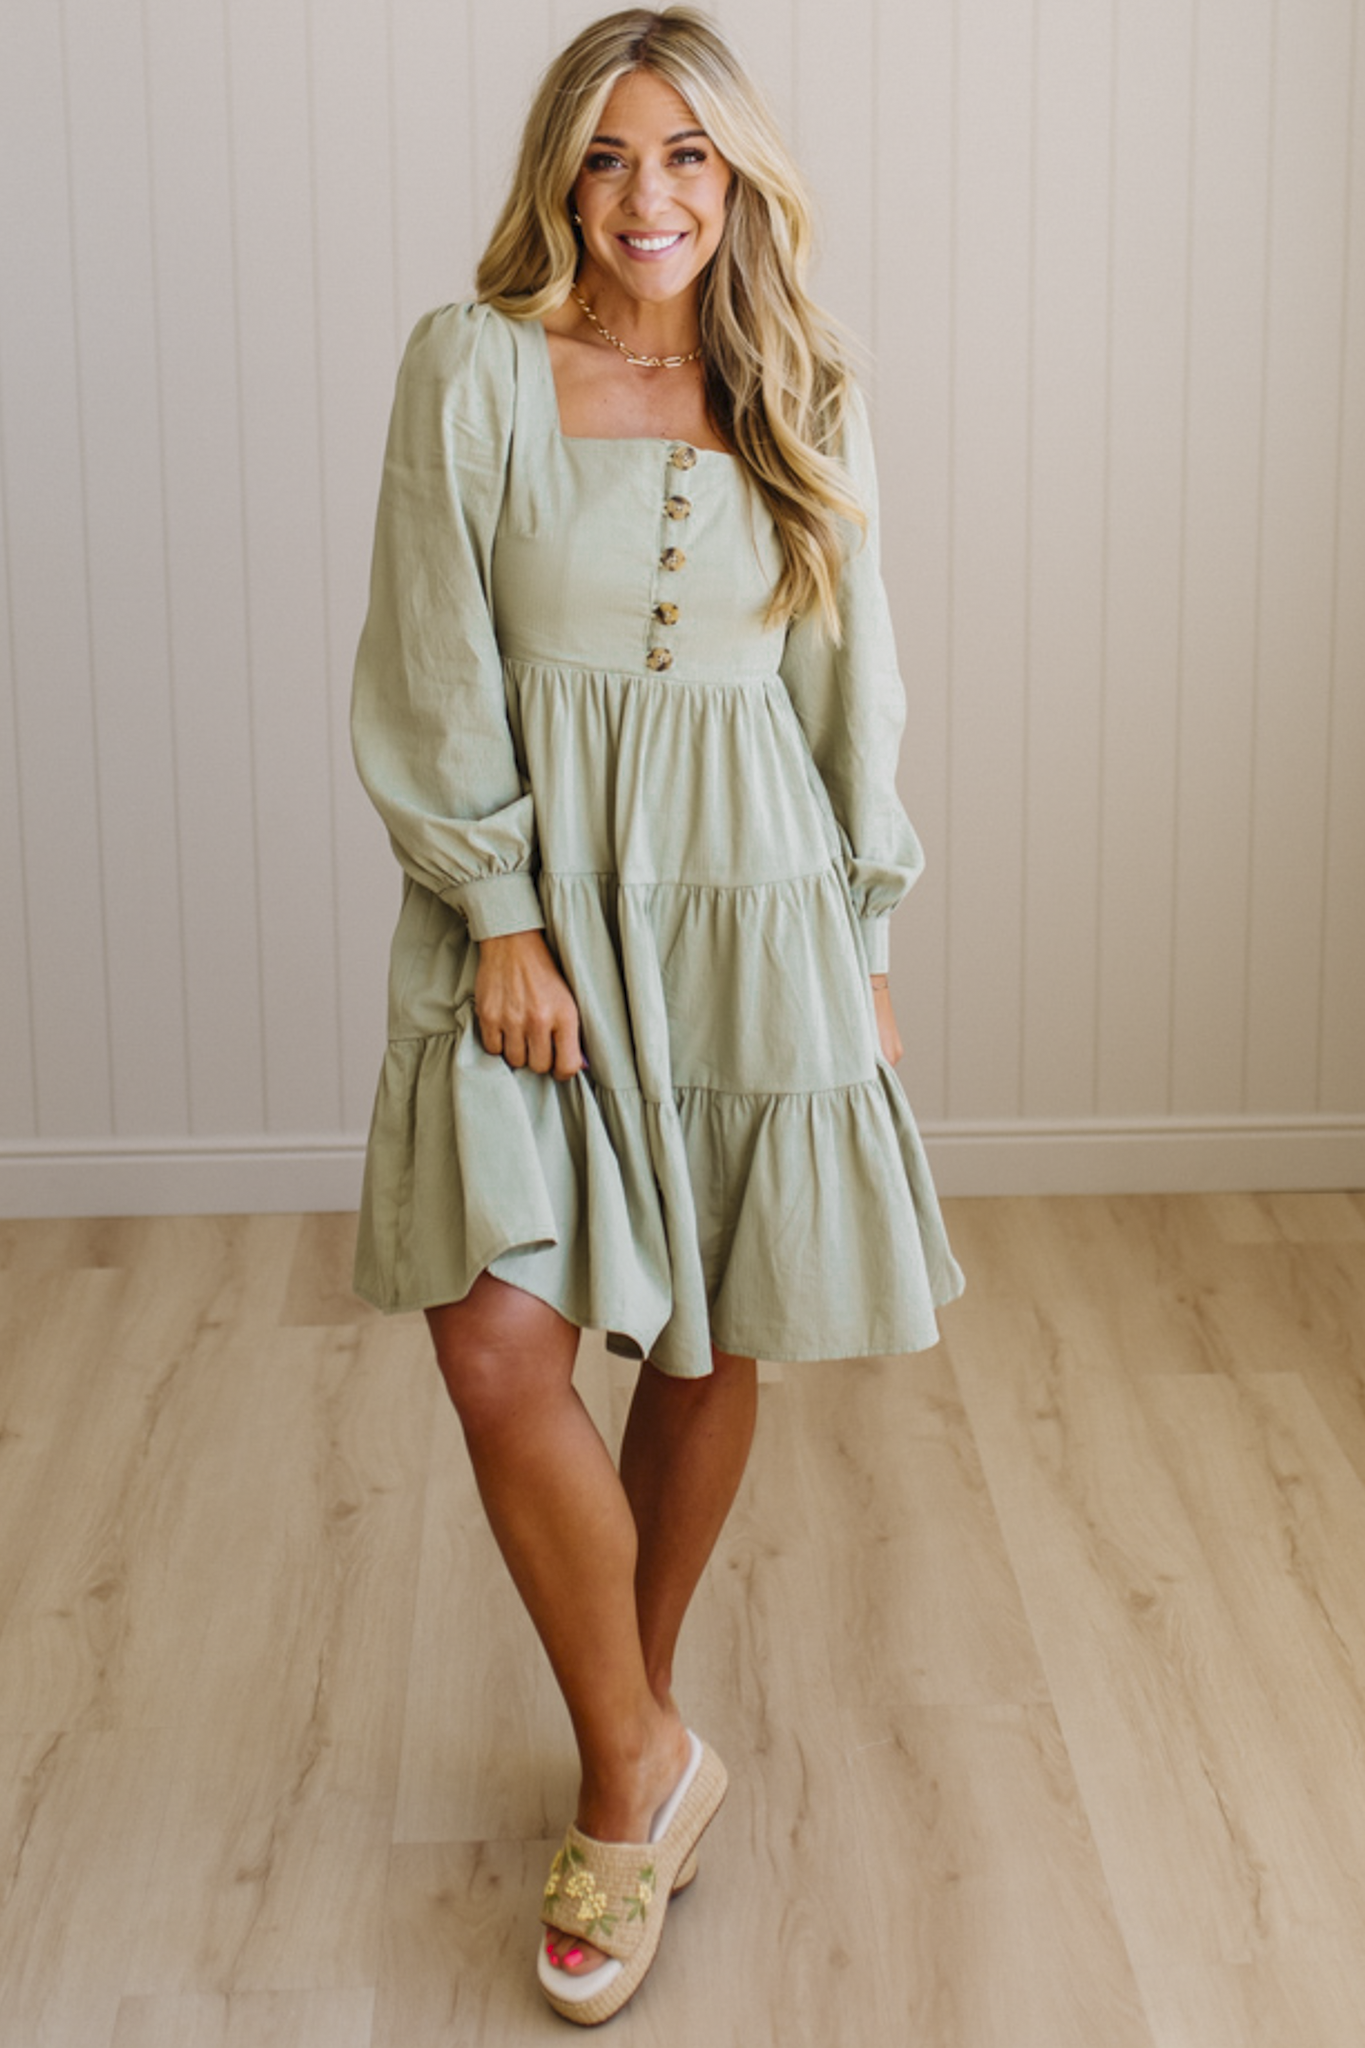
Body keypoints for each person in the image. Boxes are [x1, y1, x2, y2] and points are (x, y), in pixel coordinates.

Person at [350, 5, 964, 2023]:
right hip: (538, 911)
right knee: (498, 1338)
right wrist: (504, 915)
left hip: (758, 904)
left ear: (741, 179)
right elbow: (431, 664)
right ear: (559, 172)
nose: (646, 198)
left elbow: (846, 688)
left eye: (687, 156)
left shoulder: (804, 388)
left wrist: (864, 945)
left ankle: (631, 1760)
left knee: (714, 1312)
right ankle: (640, 1760)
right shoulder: (470, 369)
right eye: (609, 156)